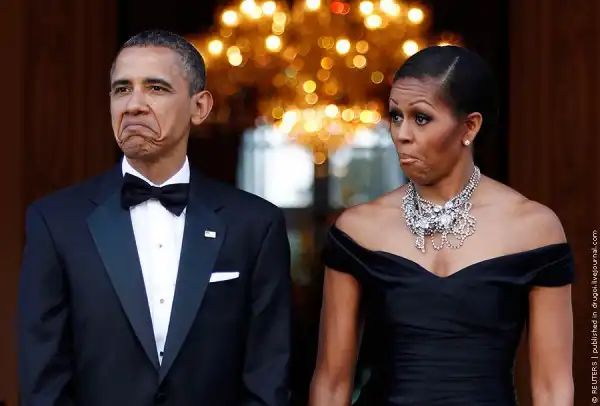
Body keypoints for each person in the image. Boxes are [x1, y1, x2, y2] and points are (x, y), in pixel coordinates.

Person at [17, 30, 291, 406]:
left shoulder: (255, 225)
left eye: (156, 88)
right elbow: (43, 382)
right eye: (122, 89)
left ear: (199, 107)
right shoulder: (55, 222)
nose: (133, 105)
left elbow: (267, 377)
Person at [308, 45, 574, 406]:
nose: (401, 134)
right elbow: (331, 383)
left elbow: (553, 387)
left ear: (470, 126)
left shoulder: (533, 228)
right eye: (395, 116)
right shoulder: (358, 229)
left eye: (421, 118)